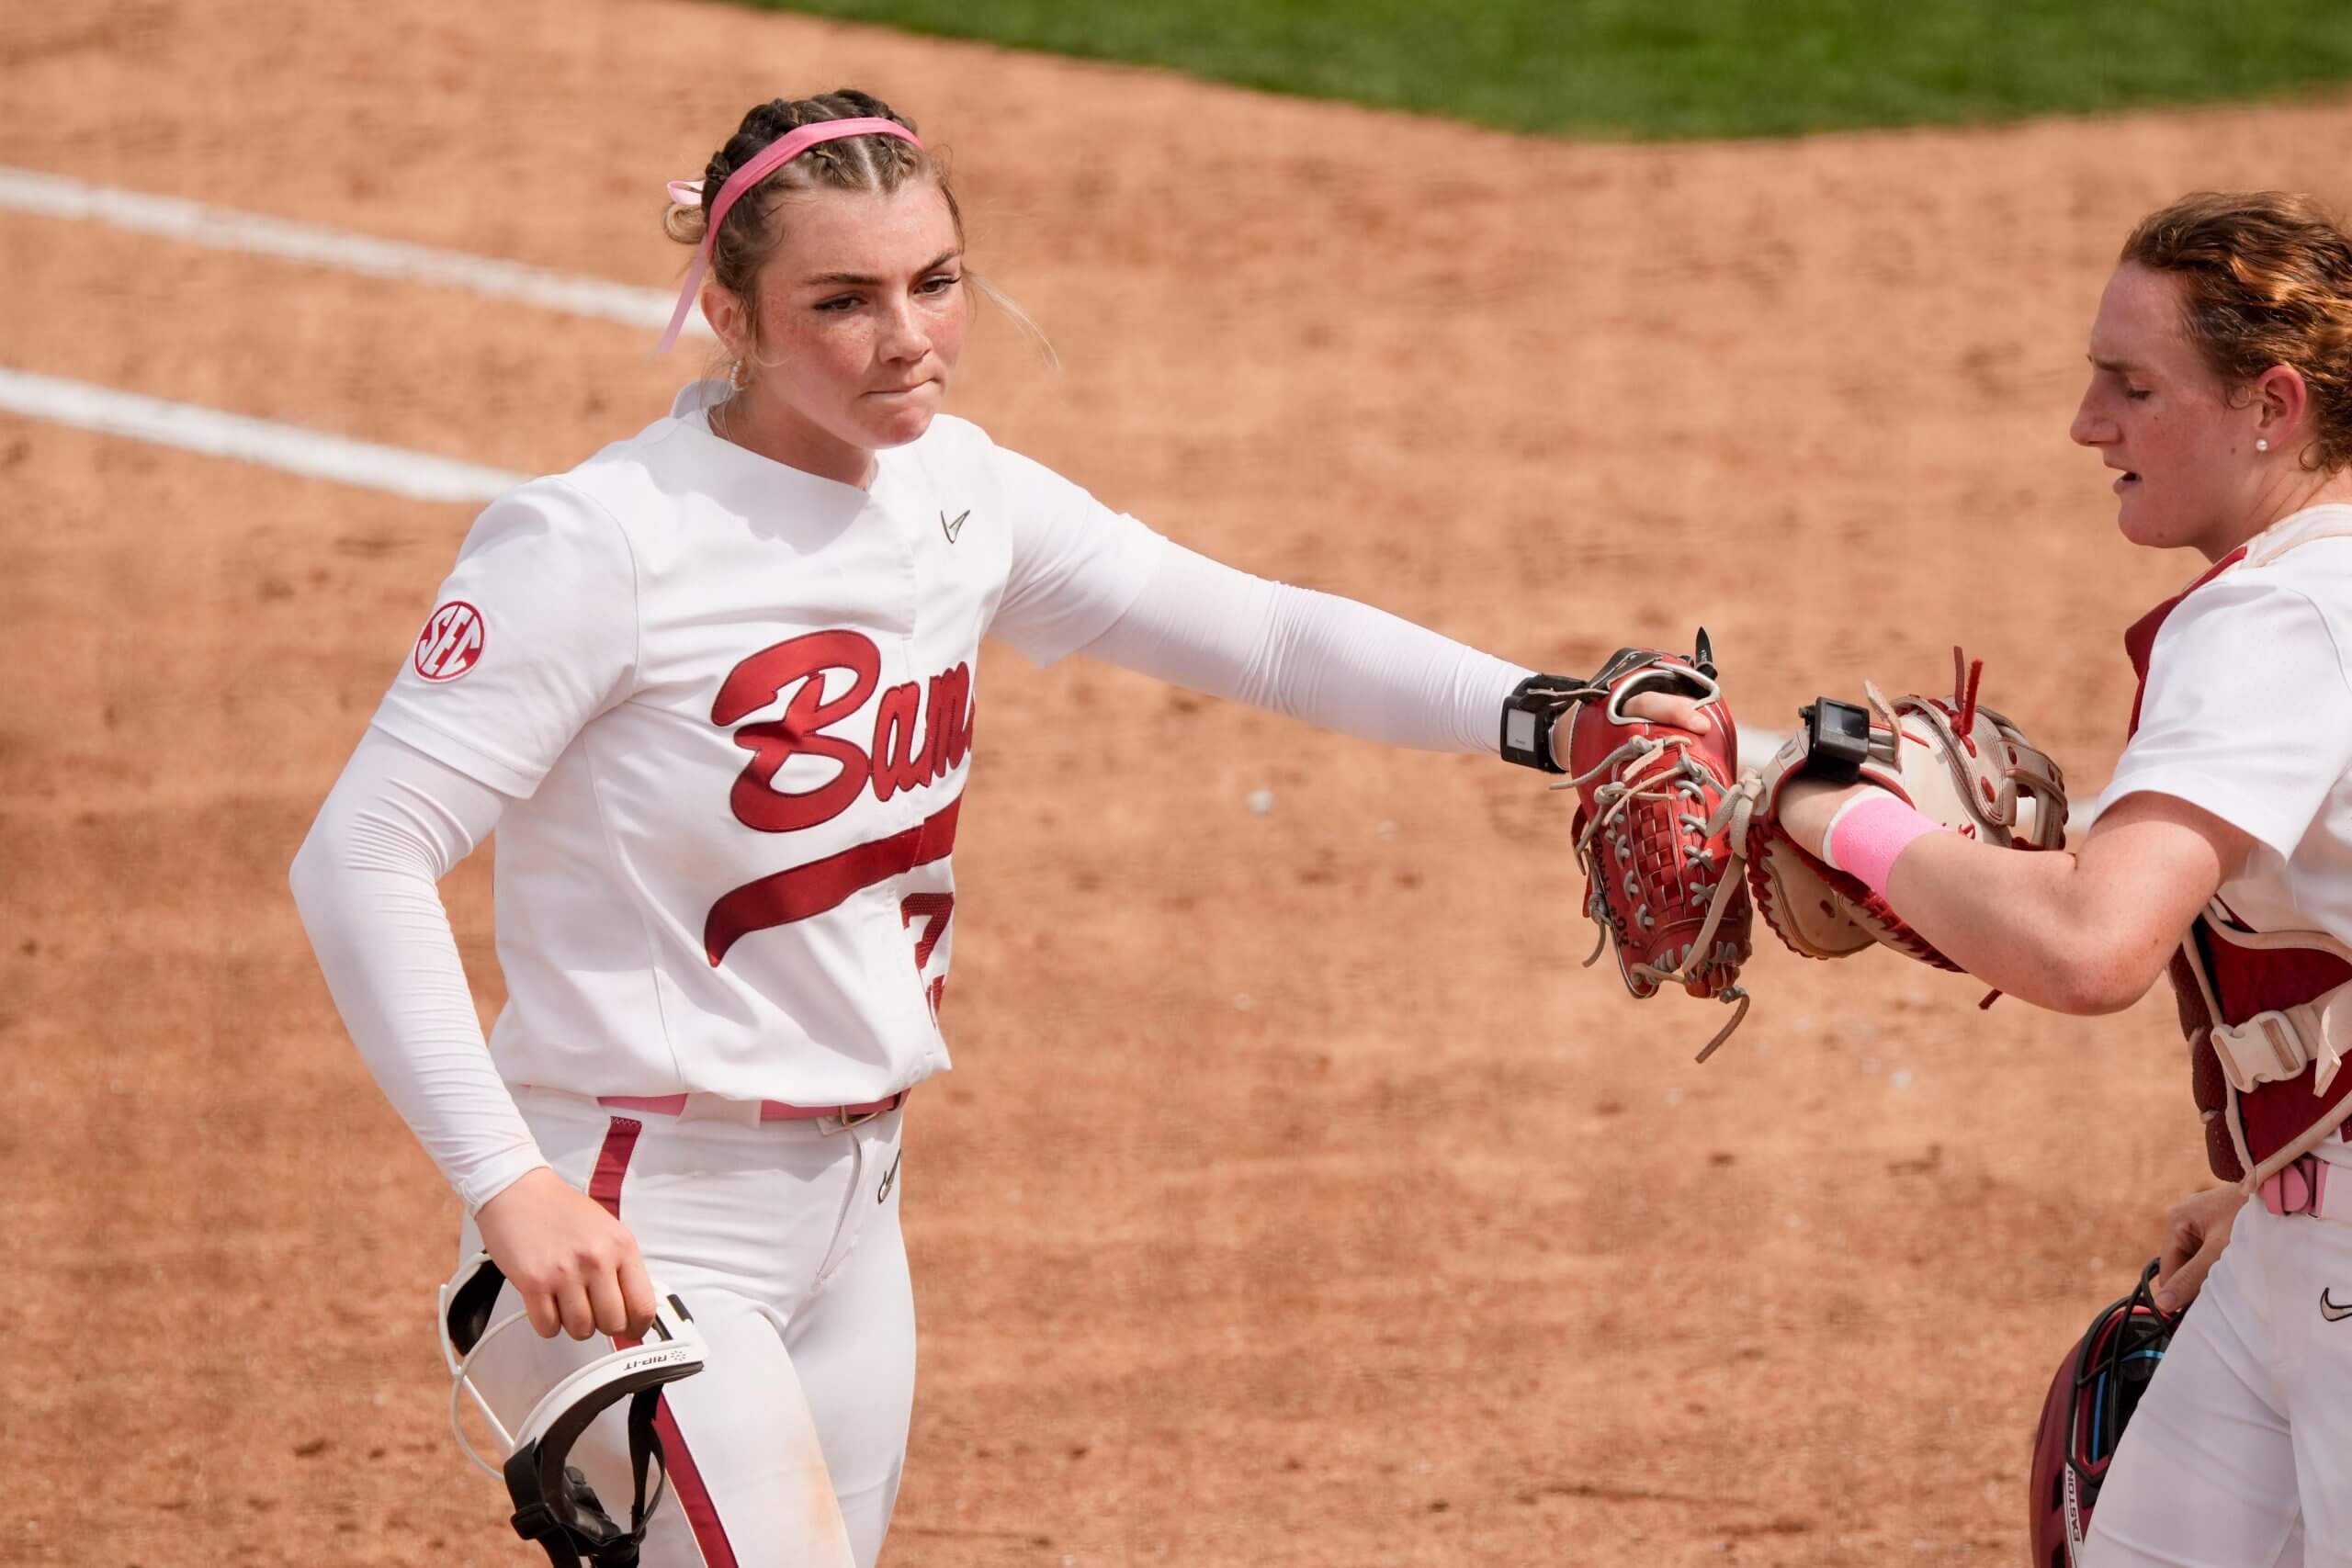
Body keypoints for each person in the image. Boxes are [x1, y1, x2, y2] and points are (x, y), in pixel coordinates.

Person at [288, 90, 1702, 1568]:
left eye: (936, 283)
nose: (908, 337)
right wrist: (510, 1183)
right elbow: (361, 852)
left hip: (857, 1217)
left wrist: (1553, 717)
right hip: (626, 1218)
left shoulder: (957, 497)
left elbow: (1269, 637)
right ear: (732, 311)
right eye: (844, 299)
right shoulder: (601, 543)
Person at [1774, 190, 2352, 1566]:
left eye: (2133, 386)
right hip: (2297, 1244)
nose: (2089, 425)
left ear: (2271, 405)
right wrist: (2298, 1162)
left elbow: (2095, 945)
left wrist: (1837, 823)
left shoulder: (2277, 617)